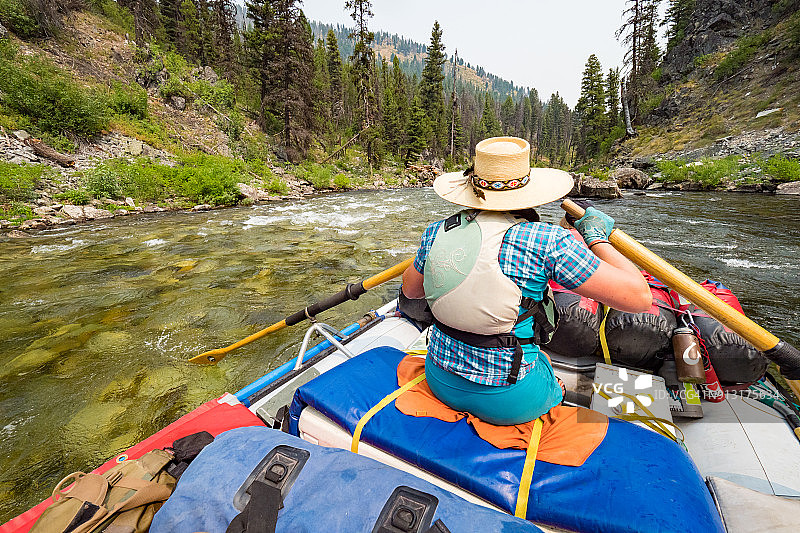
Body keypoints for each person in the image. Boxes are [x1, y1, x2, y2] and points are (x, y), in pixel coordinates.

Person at [401, 136, 651, 425]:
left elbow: (411, 291)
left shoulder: (437, 232)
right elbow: (640, 298)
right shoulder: (548, 241)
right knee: (547, 368)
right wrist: (595, 237)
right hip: (508, 400)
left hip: (441, 378)